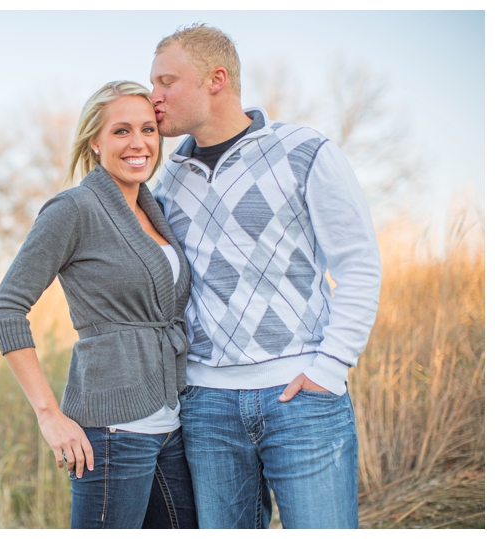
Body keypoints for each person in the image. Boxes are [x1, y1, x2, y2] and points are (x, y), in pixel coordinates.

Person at [149, 24, 382, 529]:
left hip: (300, 398)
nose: (154, 97)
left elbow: (358, 263)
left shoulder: (304, 150)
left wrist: (330, 367)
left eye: (167, 81)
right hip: (207, 407)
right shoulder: (166, 182)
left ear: (216, 78)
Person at [0, 81, 197, 529]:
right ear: (95, 143)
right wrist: (49, 415)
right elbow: (6, 308)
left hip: (171, 423)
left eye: (147, 129)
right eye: (121, 131)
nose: (138, 143)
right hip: (112, 432)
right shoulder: (73, 209)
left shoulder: (154, 209)